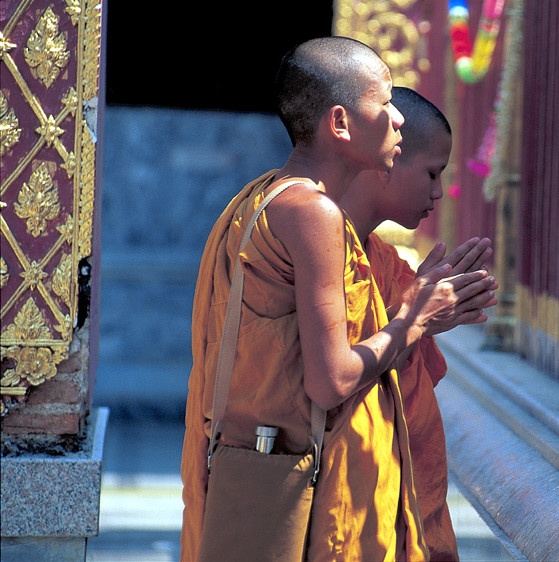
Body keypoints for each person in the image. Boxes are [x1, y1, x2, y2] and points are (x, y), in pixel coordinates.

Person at [180, 37, 496, 561]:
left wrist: (419, 309)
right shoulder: (315, 214)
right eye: (385, 103)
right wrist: (414, 318)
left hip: (258, 468)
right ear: (341, 124)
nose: (397, 119)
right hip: (304, 497)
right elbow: (330, 382)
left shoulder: (259, 197)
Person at [341, 86, 498, 561]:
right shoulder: (314, 247)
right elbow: (332, 381)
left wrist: (420, 321)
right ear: (390, 153)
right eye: (432, 173)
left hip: (397, 502)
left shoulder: (387, 264)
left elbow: (392, 371)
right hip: (346, 502)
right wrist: (412, 319)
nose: (438, 193)